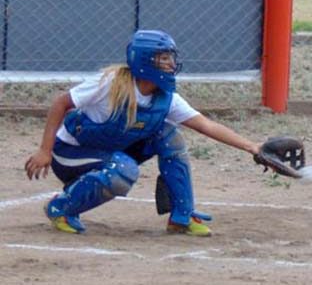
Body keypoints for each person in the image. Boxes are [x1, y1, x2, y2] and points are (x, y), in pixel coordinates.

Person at [24, 29, 263, 237]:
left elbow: (206, 125)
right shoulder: (110, 83)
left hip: (109, 152)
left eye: (171, 57)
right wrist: (45, 150)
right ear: (145, 61)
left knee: (168, 135)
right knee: (124, 170)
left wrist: (253, 147)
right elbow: (61, 103)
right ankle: (61, 207)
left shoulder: (165, 97)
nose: (171, 64)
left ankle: (182, 216)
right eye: (164, 58)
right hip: (70, 154)